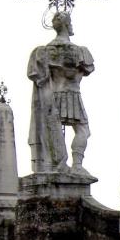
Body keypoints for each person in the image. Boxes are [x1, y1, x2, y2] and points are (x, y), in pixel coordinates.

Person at [26, 11, 95, 174]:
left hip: (51, 96)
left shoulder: (43, 52)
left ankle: (55, 164)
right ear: (67, 24)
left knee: (51, 130)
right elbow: (85, 70)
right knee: (83, 129)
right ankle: (77, 164)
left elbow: (38, 77)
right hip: (72, 94)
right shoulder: (79, 52)